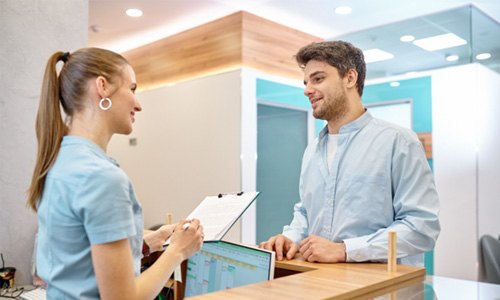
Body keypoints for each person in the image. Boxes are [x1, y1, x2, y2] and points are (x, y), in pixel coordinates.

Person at [26, 48, 204, 299]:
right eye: (132, 89)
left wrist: (148, 242)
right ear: (103, 87)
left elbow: (80, 255)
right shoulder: (102, 177)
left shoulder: (59, 160)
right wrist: (178, 251)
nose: (138, 104)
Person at [259, 41, 440, 266]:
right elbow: (305, 212)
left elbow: (422, 228)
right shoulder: (312, 150)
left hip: (382, 289)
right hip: (323, 283)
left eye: (318, 79)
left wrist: (346, 250)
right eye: (306, 82)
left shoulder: (399, 142)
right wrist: (291, 237)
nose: (307, 90)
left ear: (350, 78)